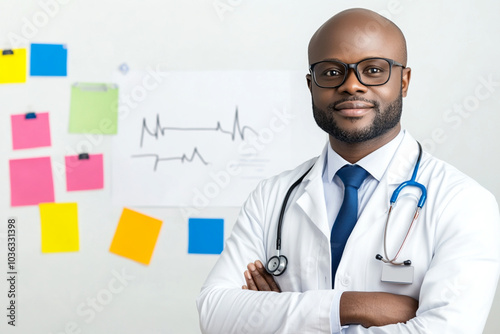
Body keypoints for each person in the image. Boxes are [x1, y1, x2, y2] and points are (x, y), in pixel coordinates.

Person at [196, 8, 500, 333]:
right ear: (310, 85)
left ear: (404, 81)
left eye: (372, 70)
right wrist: (353, 306)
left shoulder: (464, 202)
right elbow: (215, 313)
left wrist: (281, 317)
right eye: (331, 72)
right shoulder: (272, 196)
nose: (352, 86)